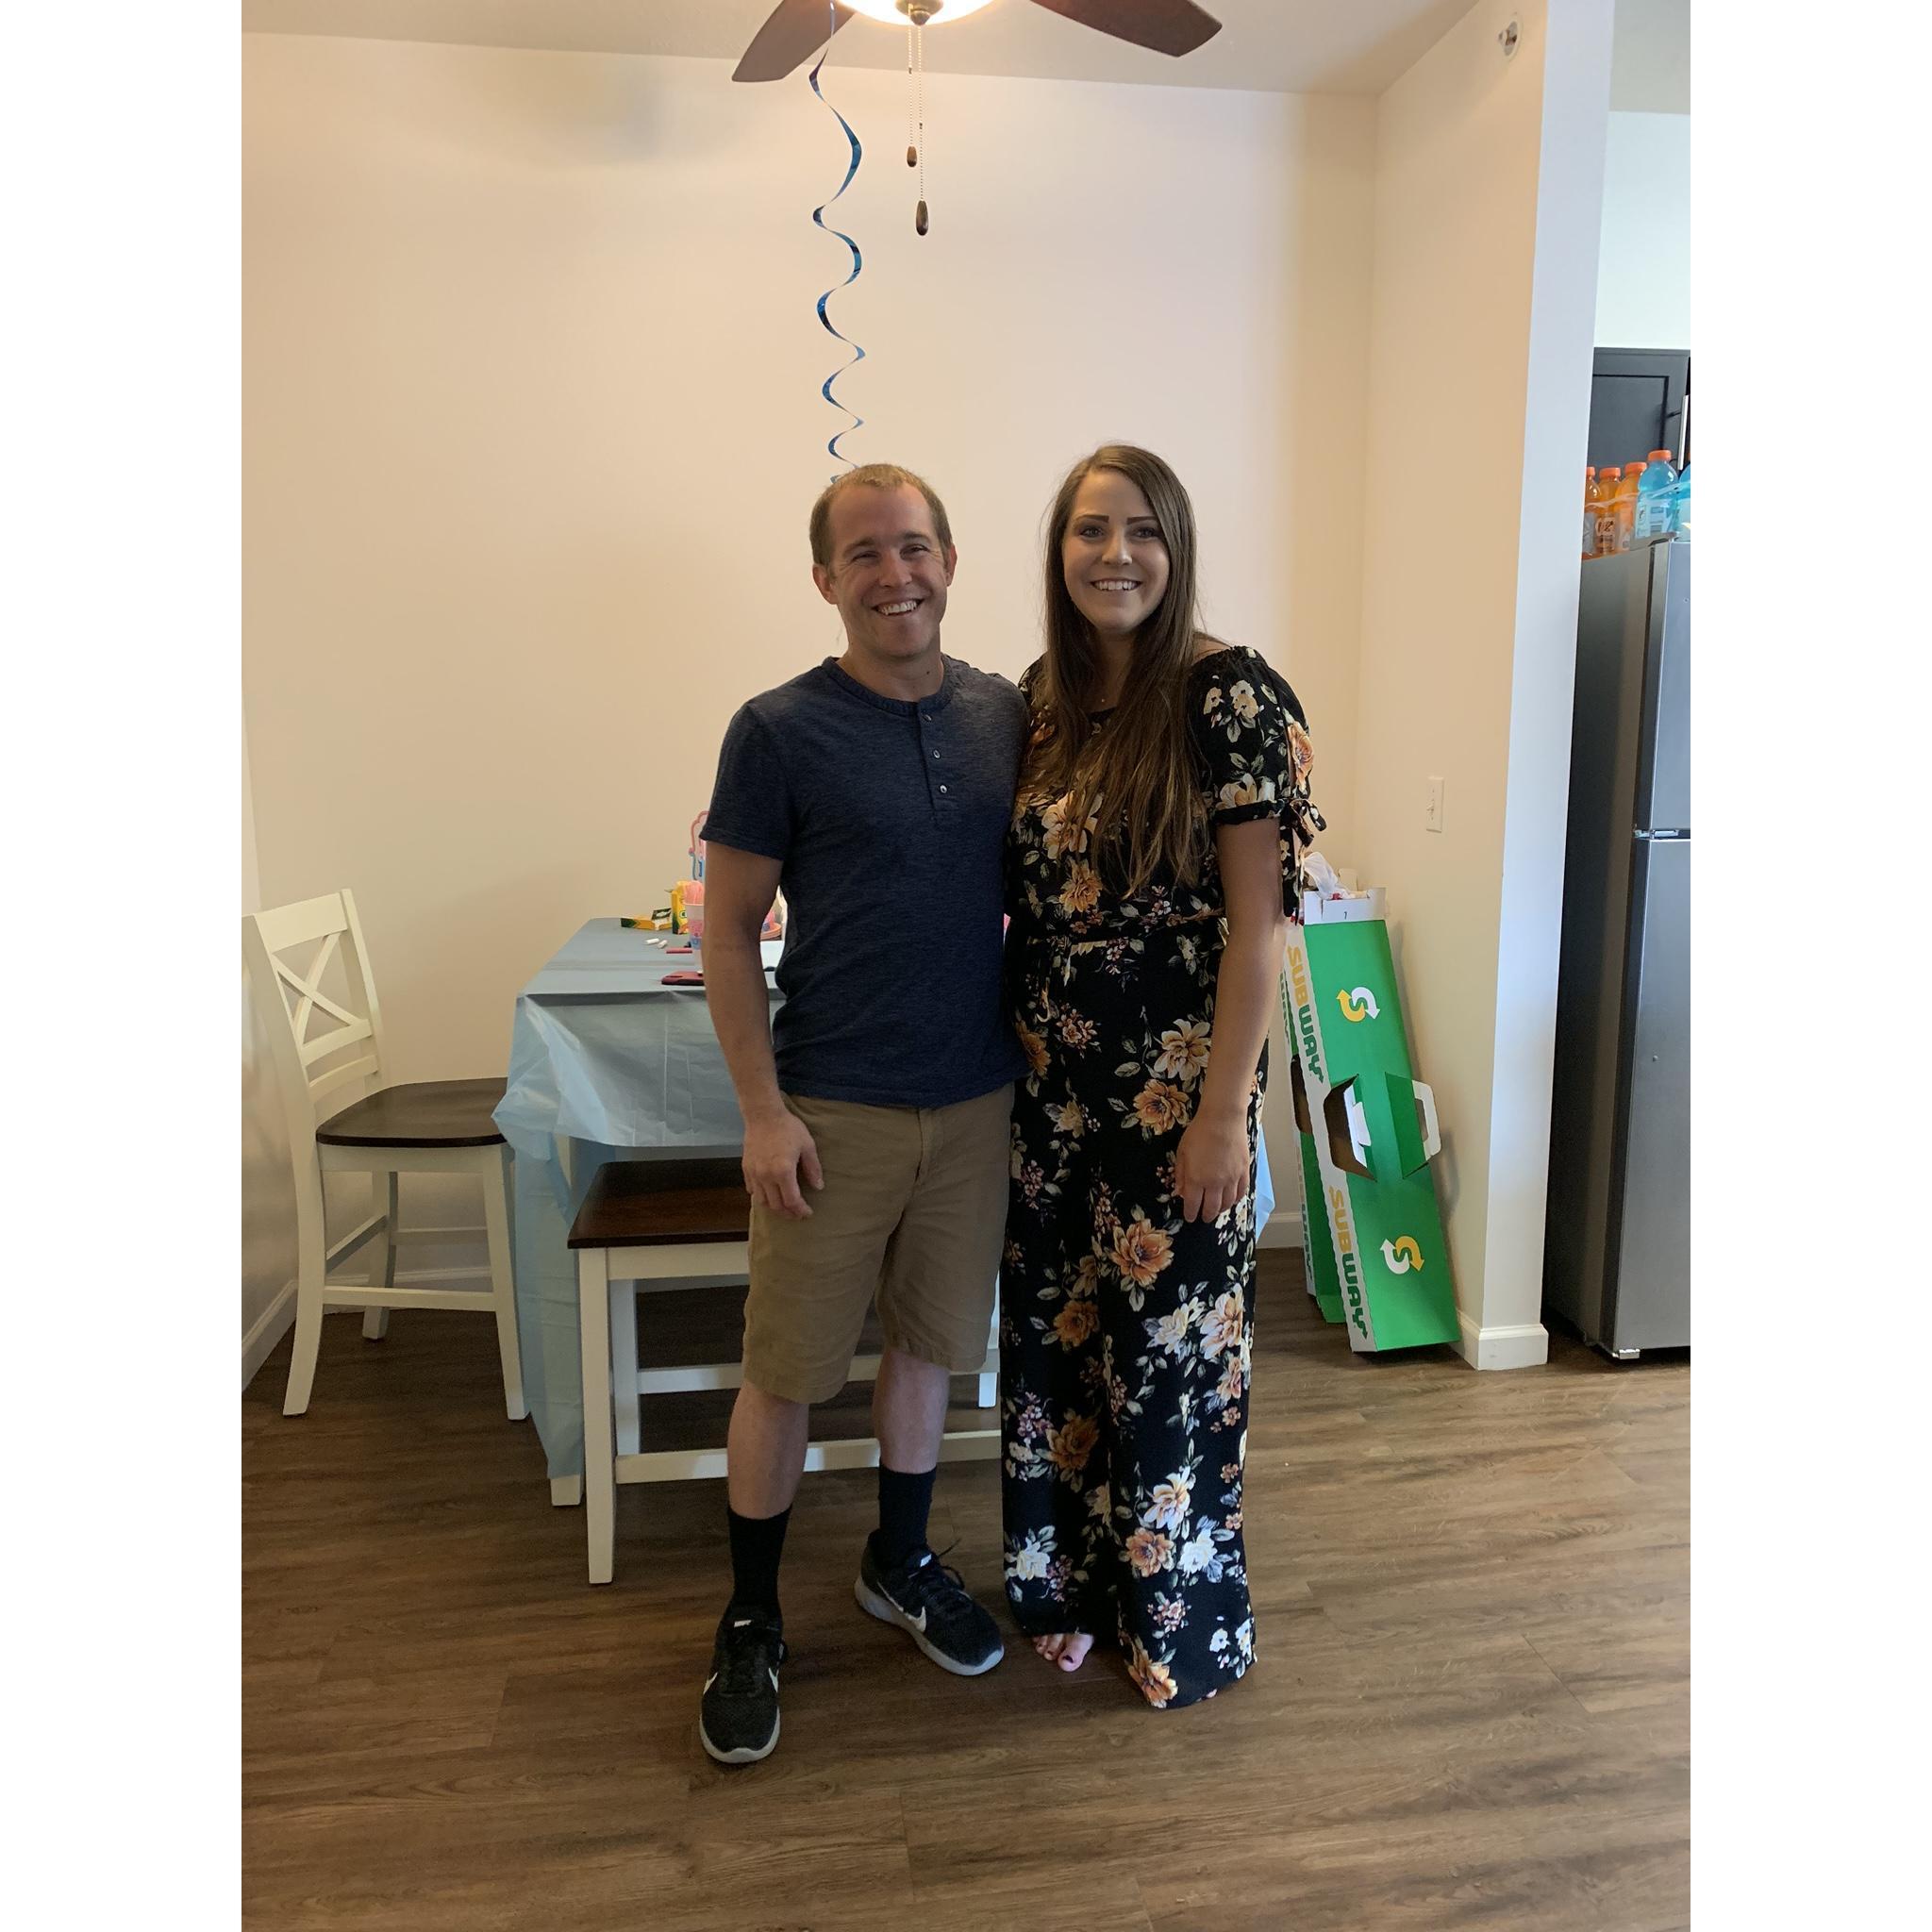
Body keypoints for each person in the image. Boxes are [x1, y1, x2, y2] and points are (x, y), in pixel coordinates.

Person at [695, 461, 1027, 1764]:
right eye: (866, 554)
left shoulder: (1006, 715)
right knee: (785, 1372)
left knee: (930, 1351)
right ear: (825, 579)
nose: (897, 575)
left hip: (978, 1099)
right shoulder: (777, 730)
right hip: (831, 1110)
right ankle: (750, 1615)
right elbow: (729, 932)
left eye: (916, 547)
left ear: (950, 559)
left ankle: (900, 1561)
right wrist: (762, 1112)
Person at [1000, 444, 1324, 1708]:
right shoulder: (1040, 701)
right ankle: (1074, 1595)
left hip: (1175, 1098)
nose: (1115, 554)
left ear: (1176, 547)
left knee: (1167, 1362)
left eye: (1142, 529)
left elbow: (1260, 930)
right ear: (1059, 551)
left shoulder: (1226, 695)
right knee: (1062, 1349)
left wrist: (1223, 1118)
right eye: (1090, 530)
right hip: (1050, 1098)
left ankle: (1176, 1622)